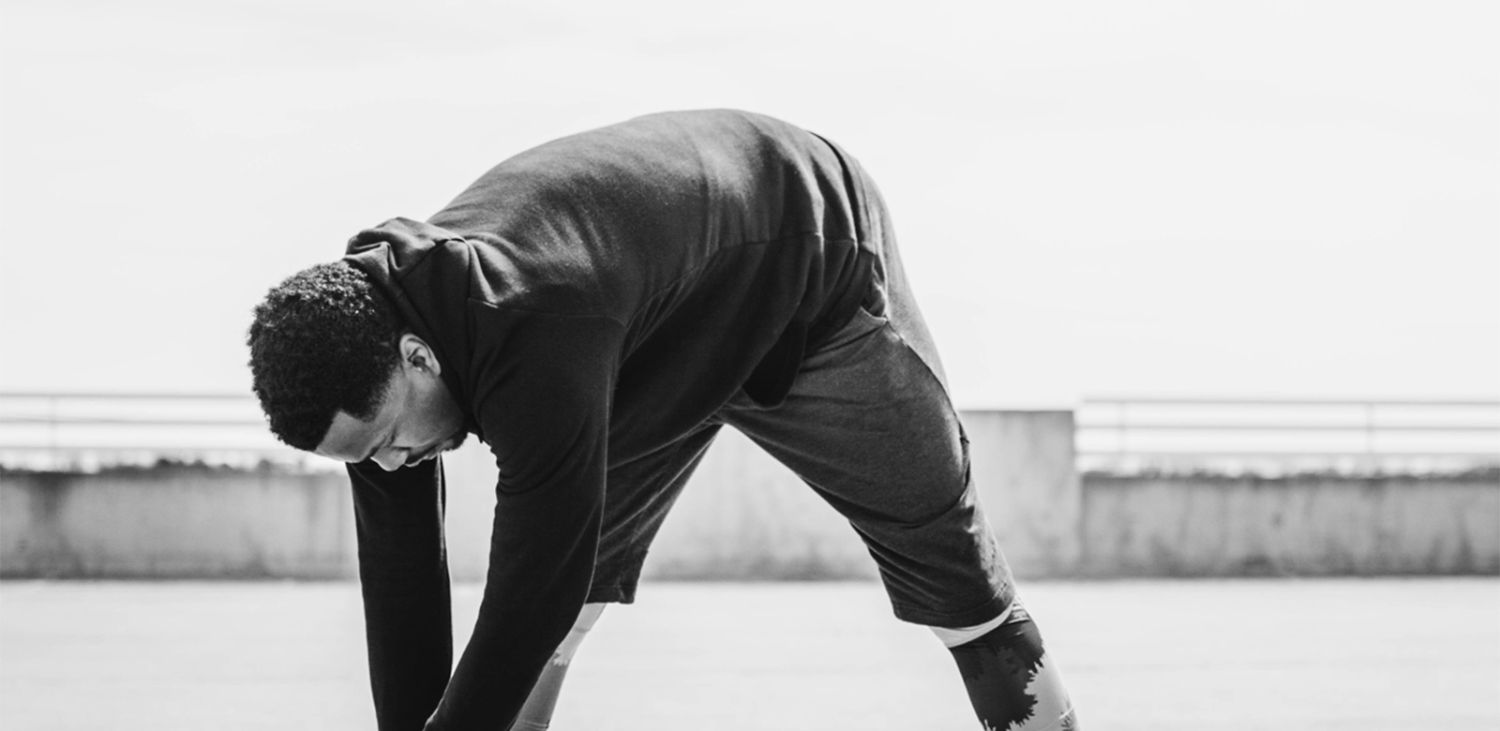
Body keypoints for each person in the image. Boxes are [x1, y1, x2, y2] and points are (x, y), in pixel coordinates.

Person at [247, 109, 1077, 731]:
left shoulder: (533, 325)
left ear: (419, 357)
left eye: (391, 441)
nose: (394, 464)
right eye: (368, 457)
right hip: (650, 342)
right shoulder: (368, 343)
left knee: (957, 583)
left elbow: (524, 596)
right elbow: (402, 586)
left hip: (806, 267)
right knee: (555, 618)